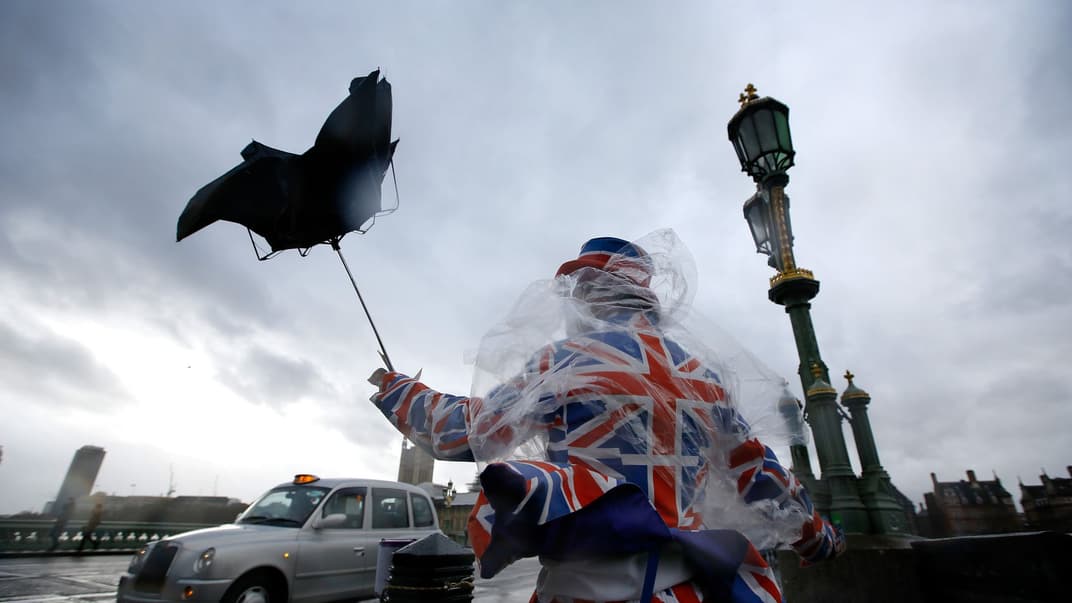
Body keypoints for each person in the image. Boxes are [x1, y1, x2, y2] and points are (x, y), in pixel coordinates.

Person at [369, 232, 844, 602]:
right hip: (689, 590)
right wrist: (817, 538)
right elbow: (760, 475)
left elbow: (464, 433)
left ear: (590, 293)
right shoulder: (701, 376)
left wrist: (399, 389)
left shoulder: (568, 361)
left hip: (584, 591)